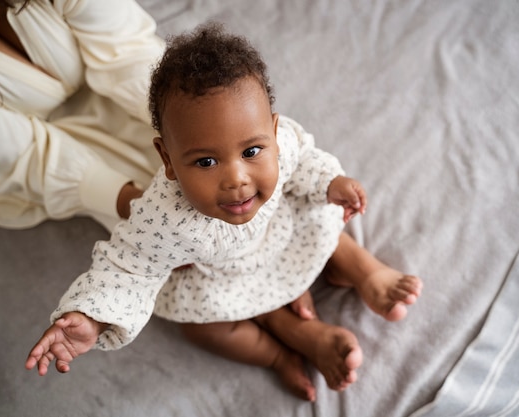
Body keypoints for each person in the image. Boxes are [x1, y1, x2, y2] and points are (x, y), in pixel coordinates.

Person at [25, 23, 423, 402]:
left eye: (252, 151)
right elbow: (128, 267)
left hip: (279, 235)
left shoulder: (282, 143)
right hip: (218, 275)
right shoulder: (163, 215)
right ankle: (281, 350)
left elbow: (304, 161)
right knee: (202, 327)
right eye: (205, 162)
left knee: (321, 216)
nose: (236, 179)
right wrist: (92, 316)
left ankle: (363, 271)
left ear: (272, 128)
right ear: (167, 159)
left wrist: (332, 183)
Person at [0, 0, 165, 230]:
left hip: (139, 91)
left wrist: (179, 122)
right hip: (56, 157)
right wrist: (134, 205)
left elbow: (128, 50)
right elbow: (27, 155)